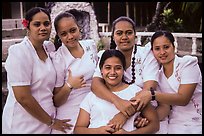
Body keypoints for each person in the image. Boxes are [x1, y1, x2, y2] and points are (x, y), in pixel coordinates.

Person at [91, 16, 170, 133]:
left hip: (147, 113)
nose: (124, 37)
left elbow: (148, 89)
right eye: (119, 33)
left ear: (135, 35)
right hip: (115, 113)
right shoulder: (106, 56)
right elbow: (96, 85)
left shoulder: (146, 55)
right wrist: (118, 102)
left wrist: (125, 115)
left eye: (129, 33)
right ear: (113, 36)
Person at [2, 7, 71, 134]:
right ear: (27, 27)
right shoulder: (19, 52)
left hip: (46, 123)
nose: (43, 28)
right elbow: (23, 97)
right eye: (37, 24)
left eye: (46, 24)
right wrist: (51, 122)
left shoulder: (49, 48)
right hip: (23, 124)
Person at [74, 49, 159, 134]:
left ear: (123, 70)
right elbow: (78, 130)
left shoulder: (136, 92)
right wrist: (97, 131)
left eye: (118, 68)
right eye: (108, 68)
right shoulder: (92, 96)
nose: (112, 72)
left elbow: (155, 125)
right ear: (101, 71)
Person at [134, 30, 202, 134]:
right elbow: (165, 108)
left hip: (196, 121)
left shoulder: (187, 63)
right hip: (174, 123)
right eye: (157, 49)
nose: (162, 52)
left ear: (173, 47)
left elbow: (184, 99)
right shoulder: (158, 76)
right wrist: (146, 119)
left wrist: (152, 95)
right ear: (152, 51)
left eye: (166, 47)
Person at [50, 11, 98, 134]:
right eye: (64, 34)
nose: (70, 36)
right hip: (70, 111)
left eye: (73, 30)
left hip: (93, 106)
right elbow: (57, 101)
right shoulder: (58, 58)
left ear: (79, 28)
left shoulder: (90, 46)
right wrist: (69, 85)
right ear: (59, 36)